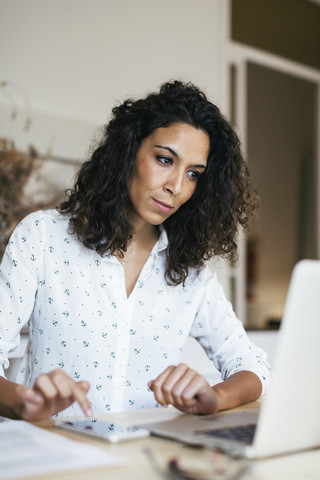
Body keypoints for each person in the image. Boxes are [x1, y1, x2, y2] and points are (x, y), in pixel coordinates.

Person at [0, 80, 271, 422]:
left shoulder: (190, 272)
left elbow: (253, 368)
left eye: (193, 174)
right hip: (54, 457)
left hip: (142, 460)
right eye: (164, 159)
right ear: (128, 152)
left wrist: (213, 398)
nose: (176, 186)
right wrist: (25, 403)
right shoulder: (42, 236)